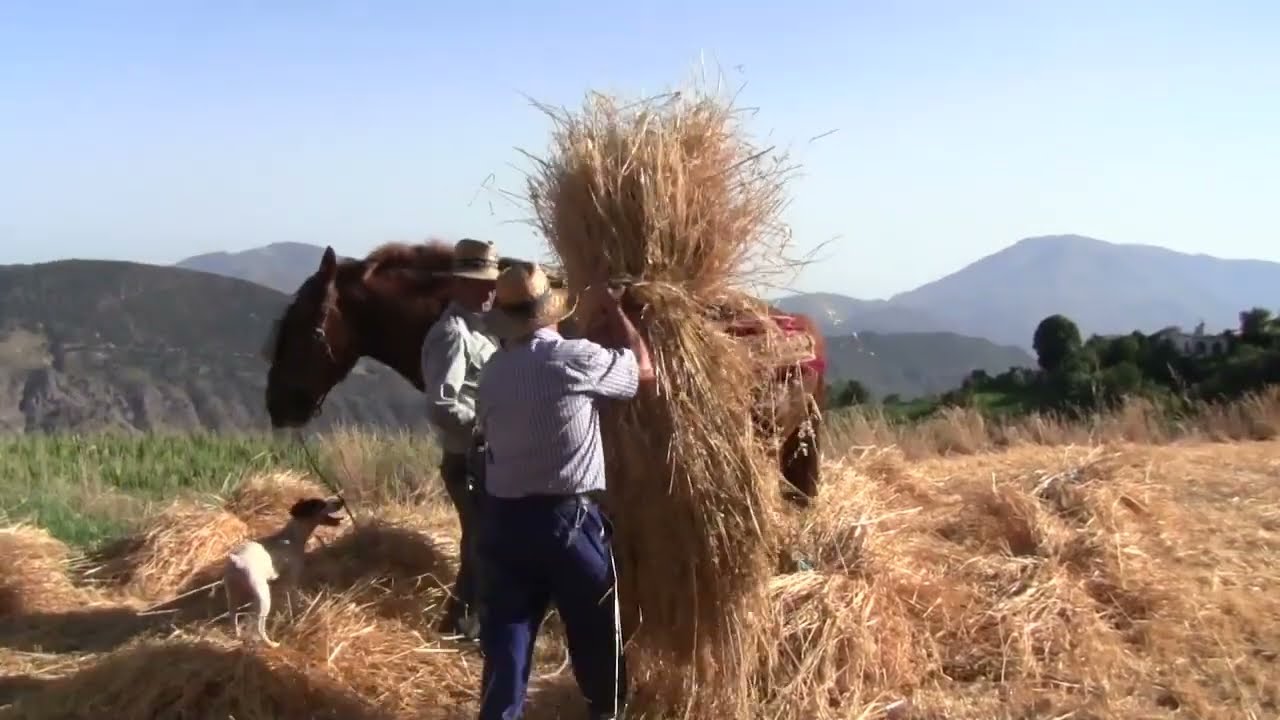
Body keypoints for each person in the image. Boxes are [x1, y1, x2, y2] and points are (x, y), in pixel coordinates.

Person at [474, 263, 655, 720]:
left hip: (501, 521)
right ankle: (605, 713)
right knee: (595, 637)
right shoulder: (575, 357)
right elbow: (645, 373)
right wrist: (617, 312)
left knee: (507, 642)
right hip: (566, 523)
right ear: (552, 310)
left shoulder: (493, 372)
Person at [420, 237, 501, 641]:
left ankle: (465, 626)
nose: (490, 290)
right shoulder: (453, 335)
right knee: (482, 547)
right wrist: (488, 427)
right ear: (457, 285)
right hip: (469, 458)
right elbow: (442, 404)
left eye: (492, 282)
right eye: (479, 282)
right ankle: (462, 629)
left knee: (484, 544)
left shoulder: (478, 331)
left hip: (481, 457)